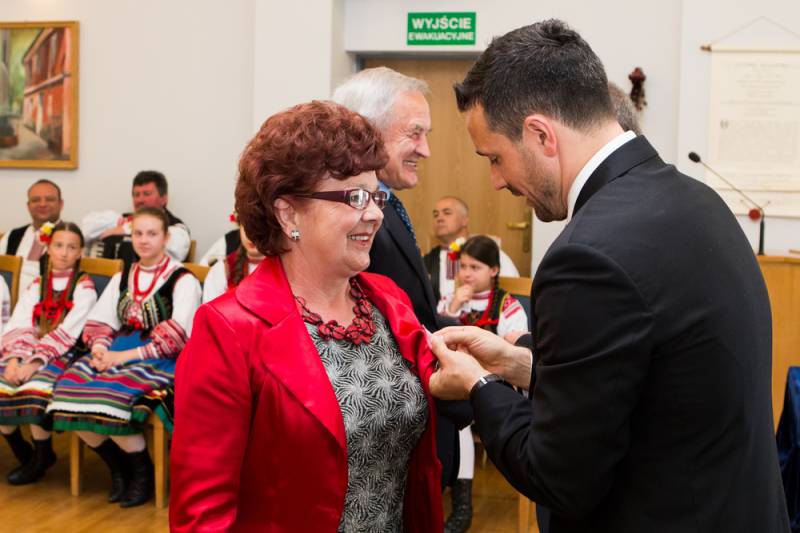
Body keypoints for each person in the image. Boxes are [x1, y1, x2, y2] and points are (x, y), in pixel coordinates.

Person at [428, 19, 789, 533]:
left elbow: (558, 477)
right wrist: (521, 365)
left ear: (540, 135)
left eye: (495, 158)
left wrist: (478, 384)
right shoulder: (697, 199)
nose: (497, 180)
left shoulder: (587, 256)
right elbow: (652, 382)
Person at [170, 101, 443, 532]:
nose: (375, 213)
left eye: (376, 196)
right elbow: (201, 515)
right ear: (288, 212)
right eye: (354, 196)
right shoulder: (228, 330)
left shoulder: (387, 300)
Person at [333, 66, 472, 491]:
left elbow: (409, 307)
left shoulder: (386, 201)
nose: (425, 150)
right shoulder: (348, 216)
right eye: (414, 133)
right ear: (367, 130)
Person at [48, 207, 201, 508]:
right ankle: (118, 468)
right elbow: (102, 320)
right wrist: (100, 350)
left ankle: (142, 473)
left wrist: (121, 357)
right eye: (138, 233)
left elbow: (178, 336)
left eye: (152, 234)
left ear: (166, 238)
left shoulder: (183, 280)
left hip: (162, 357)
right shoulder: (123, 276)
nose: (144, 240)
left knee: (111, 396)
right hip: (118, 350)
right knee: (67, 391)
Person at [436, 235, 527, 532]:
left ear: (494, 270)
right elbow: (434, 339)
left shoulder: (507, 305)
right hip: (454, 380)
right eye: (463, 266)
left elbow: (515, 352)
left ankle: (462, 507)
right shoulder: (449, 302)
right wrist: (453, 307)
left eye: (475, 267)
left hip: (495, 383)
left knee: (460, 412)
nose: (466, 274)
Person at [0, 223, 96, 485]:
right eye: (59, 246)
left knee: (35, 388)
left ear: (80, 252)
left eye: (71, 247)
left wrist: (33, 363)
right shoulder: (38, 284)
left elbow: (68, 332)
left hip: (64, 353)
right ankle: (23, 452)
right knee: (4, 382)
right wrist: (15, 360)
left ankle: (42, 455)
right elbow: (21, 323)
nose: (64, 253)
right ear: (48, 248)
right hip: (29, 348)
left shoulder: (84, 287)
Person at [81, 171, 191, 265]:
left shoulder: (177, 228)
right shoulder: (121, 220)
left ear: (164, 199)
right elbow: (83, 232)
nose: (140, 200)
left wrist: (128, 229)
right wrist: (122, 224)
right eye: (136, 195)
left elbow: (177, 249)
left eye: (147, 194)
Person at [424, 196, 519, 302]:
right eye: (435, 215)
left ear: (465, 220)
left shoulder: (489, 253)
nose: (439, 218)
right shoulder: (426, 261)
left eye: (447, 213)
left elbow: (513, 293)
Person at [0, 179, 64, 292]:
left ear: (61, 204)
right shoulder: (11, 236)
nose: (42, 204)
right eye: (36, 200)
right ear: (28, 205)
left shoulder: (72, 238)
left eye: (49, 199)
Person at [201, 225, 264, 303]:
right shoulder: (221, 270)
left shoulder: (279, 268)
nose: (251, 234)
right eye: (245, 225)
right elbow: (210, 309)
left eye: (259, 225)